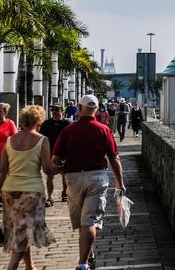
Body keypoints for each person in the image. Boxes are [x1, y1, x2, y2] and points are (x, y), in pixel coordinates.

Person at [52, 94, 126, 270]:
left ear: (79, 108)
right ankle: (84, 261)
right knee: (90, 221)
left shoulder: (68, 131)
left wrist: (64, 171)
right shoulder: (103, 129)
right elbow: (114, 158)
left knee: (82, 222)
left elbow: (55, 160)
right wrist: (119, 182)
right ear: (97, 110)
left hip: (73, 178)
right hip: (97, 177)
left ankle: (84, 258)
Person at [0, 105, 58, 270]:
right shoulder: (42, 140)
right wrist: (63, 167)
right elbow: (48, 170)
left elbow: (2, 169)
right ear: (38, 120)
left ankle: (30, 266)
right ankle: (11, 267)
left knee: (20, 229)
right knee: (23, 232)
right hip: (31, 192)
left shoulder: (10, 140)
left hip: (8, 191)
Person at [39, 105, 71, 205]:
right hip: (50, 152)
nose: (54, 112)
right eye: (52, 110)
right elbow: (41, 138)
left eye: (57, 110)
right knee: (50, 175)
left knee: (65, 175)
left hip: (64, 153)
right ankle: (50, 197)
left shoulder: (67, 123)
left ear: (62, 111)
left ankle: (64, 194)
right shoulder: (46, 124)